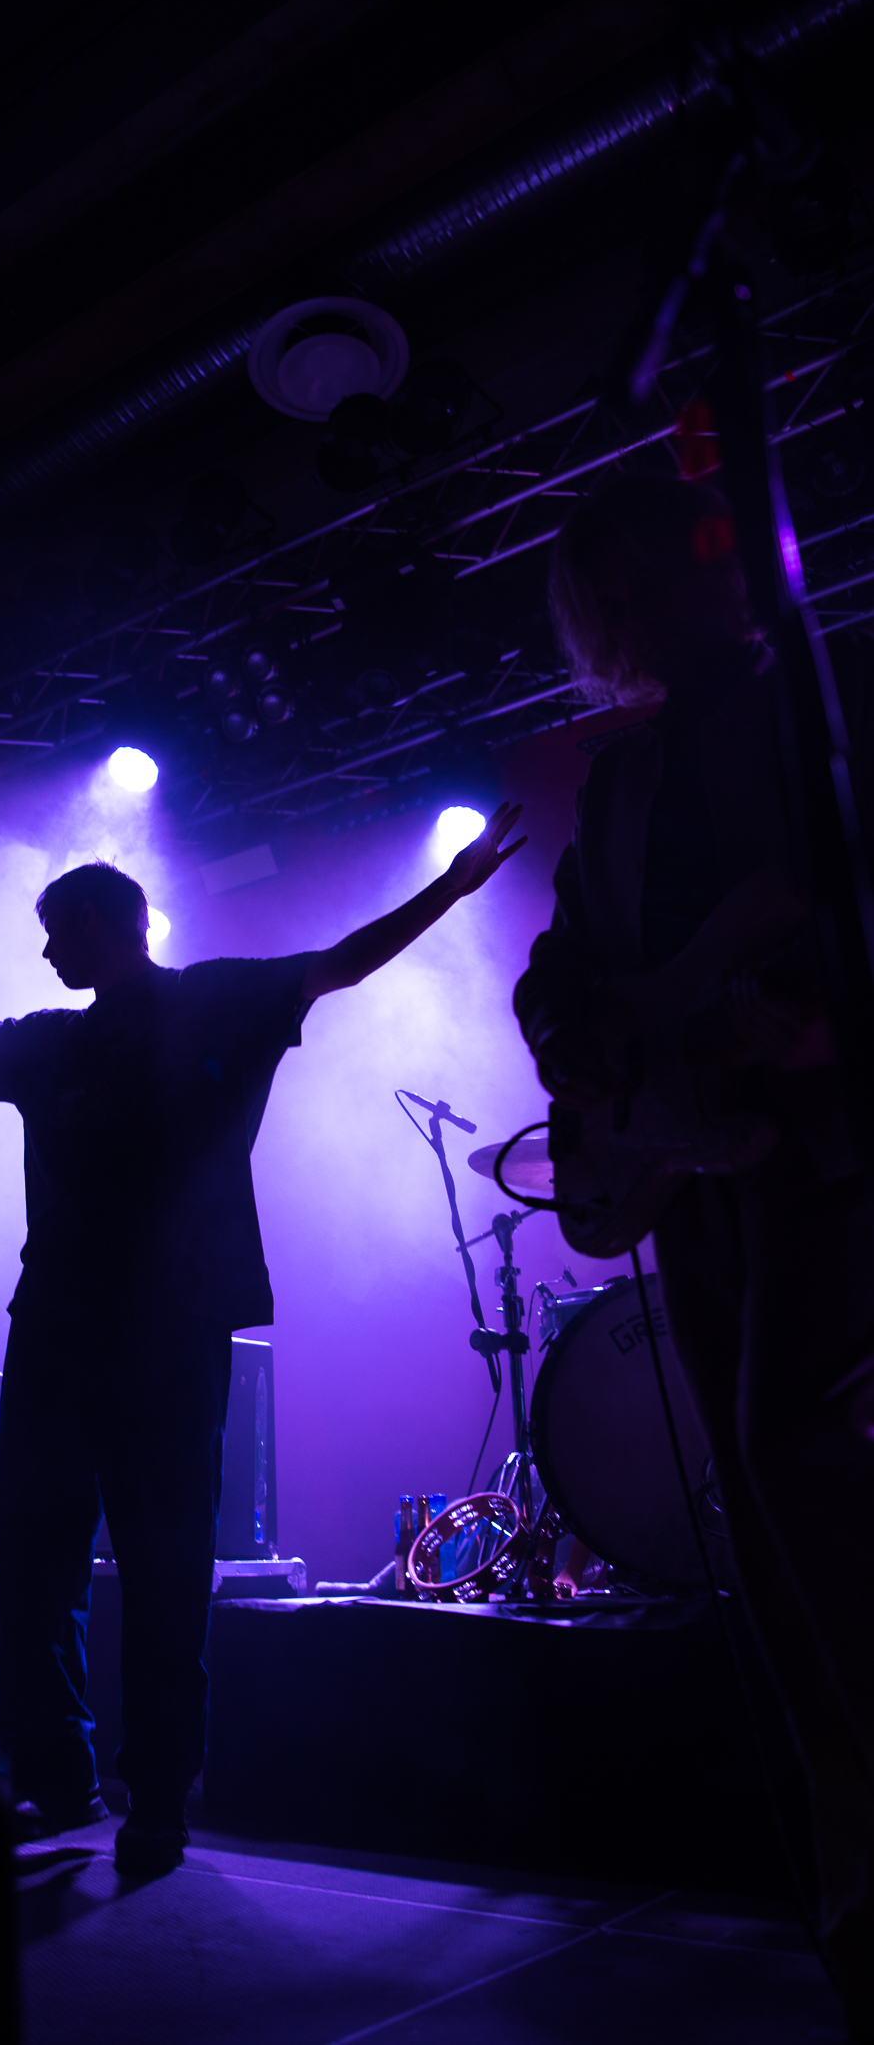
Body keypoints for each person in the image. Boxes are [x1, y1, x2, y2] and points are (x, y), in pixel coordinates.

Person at [0, 820, 521, 1873]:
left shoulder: (217, 999)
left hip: (172, 1324)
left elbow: (340, 963)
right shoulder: (53, 1040)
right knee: (36, 1563)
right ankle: (59, 1783)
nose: (46, 952)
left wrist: (452, 887)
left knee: (164, 1564)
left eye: (58, 932)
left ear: (107, 926)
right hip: (57, 1322)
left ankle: (157, 1799)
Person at [512, 472, 874, 2026]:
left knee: (790, 1444)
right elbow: (559, 966)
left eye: (645, 573)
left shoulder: (823, 694)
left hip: (825, 1145)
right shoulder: (621, 779)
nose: (632, 611)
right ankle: (851, 1870)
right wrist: (589, 1052)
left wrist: (793, 1021)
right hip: (695, 1169)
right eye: (605, 594)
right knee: (754, 1490)